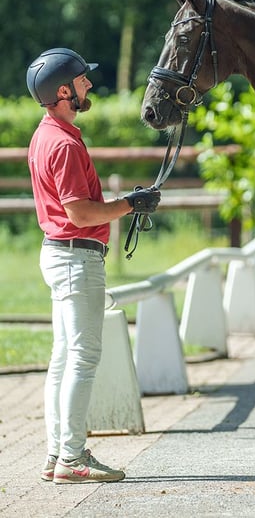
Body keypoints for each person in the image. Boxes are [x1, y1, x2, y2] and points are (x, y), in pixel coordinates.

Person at [26, 48, 161, 484]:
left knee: (64, 360)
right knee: (83, 359)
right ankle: (71, 457)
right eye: (82, 80)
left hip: (61, 254)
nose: (88, 84)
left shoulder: (48, 133)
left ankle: (56, 454)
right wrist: (130, 204)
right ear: (63, 91)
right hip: (76, 255)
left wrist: (126, 204)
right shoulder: (63, 144)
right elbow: (81, 213)